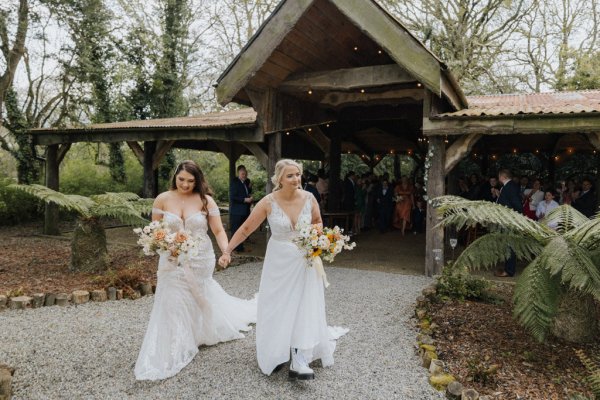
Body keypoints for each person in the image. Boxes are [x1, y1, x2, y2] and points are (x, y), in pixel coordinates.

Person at [218, 159, 348, 380]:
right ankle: (275, 350)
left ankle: (299, 356)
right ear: (278, 179)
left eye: (298, 174)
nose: (296, 179)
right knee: (276, 303)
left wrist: (319, 241)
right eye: (290, 175)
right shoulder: (268, 202)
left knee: (303, 304)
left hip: (305, 260)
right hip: (278, 261)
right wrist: (227, 251)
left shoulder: (309, 198)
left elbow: (317, 221)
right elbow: (248, 227)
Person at [135, 160, 257, 381]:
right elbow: (154, 230)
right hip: (171, 259)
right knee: (172, 299)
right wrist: (162, 245)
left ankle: (197, 332)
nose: (185, 184)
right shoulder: (162, 198)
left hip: (201, 258)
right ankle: (175, 343)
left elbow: (218, 230)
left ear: (197, 180)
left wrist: (226, 251)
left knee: (196, 295)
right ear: (175, 177)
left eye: (191, 181)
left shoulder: (205, 200)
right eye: (181, 179)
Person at [493, 169, 523, 277]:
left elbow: (517, 204)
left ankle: (509, 270)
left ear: (503, 176)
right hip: (506, 219)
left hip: (510, 220)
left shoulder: (509, 186)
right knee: (506, 244)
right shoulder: (508, 186)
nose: (498, 178)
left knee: (510, 245)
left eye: (499, 176)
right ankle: (507, 268)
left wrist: (515, 218)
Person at [229, 165, 253, 252]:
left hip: (245, 211)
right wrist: (244, 200)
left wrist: (249, 194)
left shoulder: (245, 183)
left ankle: (240, 247)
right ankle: (234, 248)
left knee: (243, 230)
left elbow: (246, 193)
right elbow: (233, 197)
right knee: (236, 230)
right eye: (242, 174)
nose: (244, 175)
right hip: (237, 212)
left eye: (245, 174)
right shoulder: (235, 182)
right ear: (238, 174)